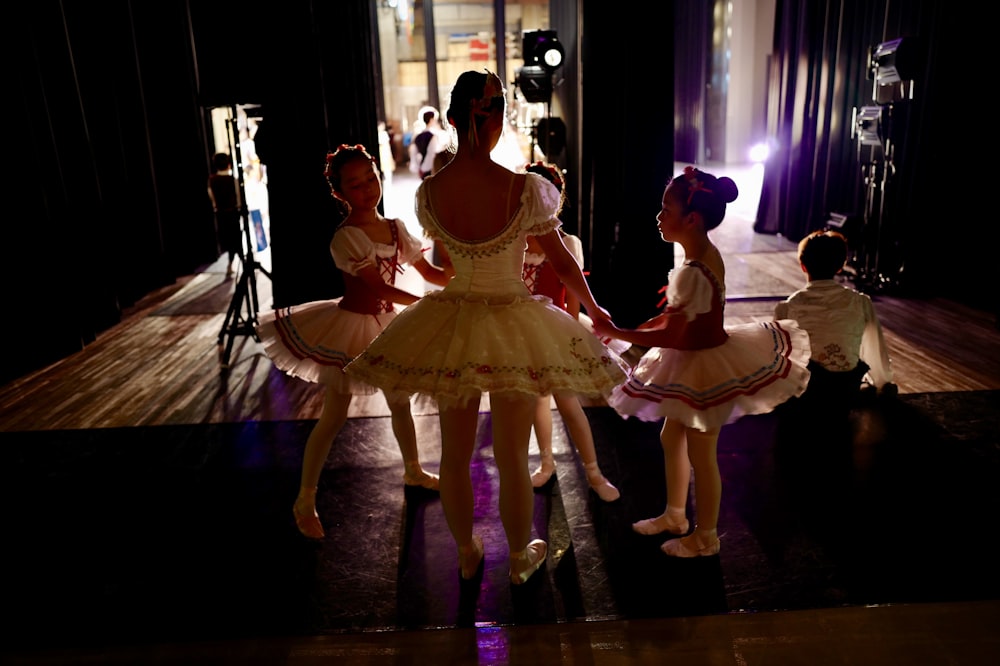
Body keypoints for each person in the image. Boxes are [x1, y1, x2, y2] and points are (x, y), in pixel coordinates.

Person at [345, 71, 628, 585]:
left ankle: (465, 549)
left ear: (454, 119)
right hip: (514, 318)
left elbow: (442, 264)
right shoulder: (524, 189)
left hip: (456, 316)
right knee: (512, 456)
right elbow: (564, 265)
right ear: (495, 119)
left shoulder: (430, 194)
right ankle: (520, 558)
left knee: (453, 457)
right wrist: (596, 311)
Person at [593, 166, 811, 558]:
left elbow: (671, 335)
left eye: (666, 209)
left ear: (690, 219)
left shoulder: (694, 270)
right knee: (670, 436)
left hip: (703, 368)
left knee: (702, 453)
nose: (659, 216)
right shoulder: (702, 256)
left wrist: (621, 334)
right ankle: (675, 515)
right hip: (691, 361)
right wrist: (625, 329)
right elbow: (671, 319)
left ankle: (706, 537)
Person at [255, 144, 452, 540]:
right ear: (340, 192)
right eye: (355, 184)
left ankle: (412, 470)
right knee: (333, 417)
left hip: (388, 324)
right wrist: (429, 307)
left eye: (370, 178)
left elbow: (432, 273)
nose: (367, 188)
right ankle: (305, 497)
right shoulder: (346, 238)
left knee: (400, 402)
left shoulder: (396, 227)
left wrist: (464, 266)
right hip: (353, 327)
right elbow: (379, 287)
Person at [521, 161, 624, 502]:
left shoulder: (567, 241)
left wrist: (574, 335)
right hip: (519, 331)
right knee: (537, 400)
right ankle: (546, 462)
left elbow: (571, 295)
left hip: (554, 329)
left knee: (568, 403)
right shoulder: (515, 238)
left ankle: (594, 472)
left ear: (557, 199)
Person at [773, 229, 895, 411]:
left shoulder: (787, 308)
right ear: (840, 266)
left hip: (805, 396)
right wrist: (883, 383)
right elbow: (875, 351)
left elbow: (779, 359)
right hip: (845, 391)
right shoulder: (861, 302)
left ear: (803, 265)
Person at [207, 152, 243, 277]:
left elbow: (212, 198)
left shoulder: (212, 180)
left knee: (228, 239)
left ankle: (232, 263)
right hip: (232, 213)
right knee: (236, 239)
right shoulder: (232, 180)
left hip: (221, 214)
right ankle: (239, 262)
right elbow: (238, 198)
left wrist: (216, 206)